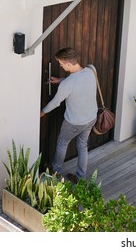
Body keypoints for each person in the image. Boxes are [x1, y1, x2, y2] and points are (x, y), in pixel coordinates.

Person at [40, 47, 98, 183]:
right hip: (91, 118)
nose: (60, 65)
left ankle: (55, 172)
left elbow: (55, 102)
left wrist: (42, 112)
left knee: (62, 143)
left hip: (74, 122)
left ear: (68, 63)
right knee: (82, 146)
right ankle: (80, 178)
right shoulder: (91, 70)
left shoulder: (68, 83)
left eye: (60, 63)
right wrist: (60, 80)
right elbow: (79, 82)